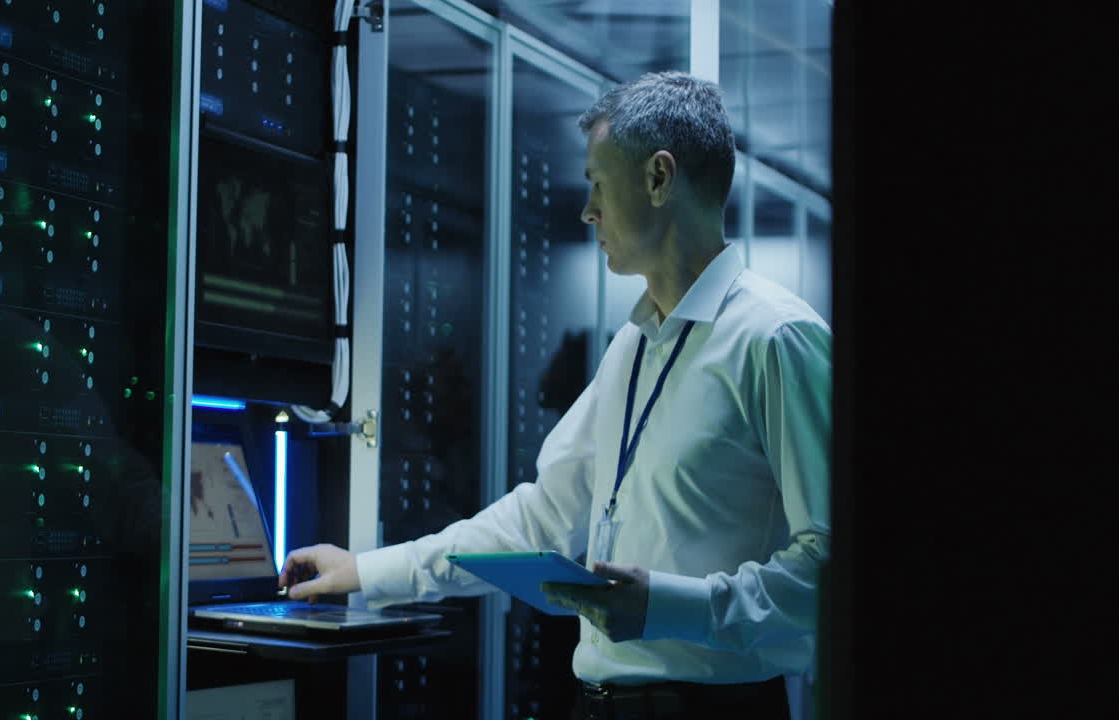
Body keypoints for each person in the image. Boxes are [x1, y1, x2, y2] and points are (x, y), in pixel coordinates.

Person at [281, 71, 831, 720]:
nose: (587, 211)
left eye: (598, 184)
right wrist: (369, 571)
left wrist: (670, 606)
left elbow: (832, 569)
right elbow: (544, 516)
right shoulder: (634, 345)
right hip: (596, 705)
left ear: (659, 178)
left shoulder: (778, 338)